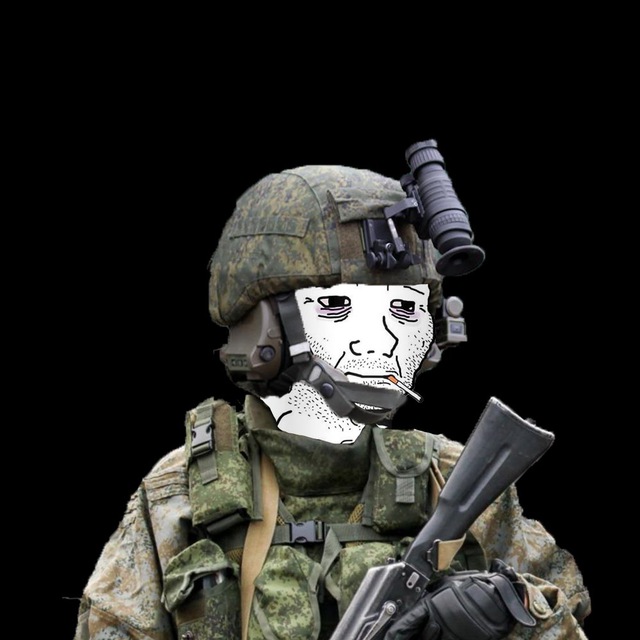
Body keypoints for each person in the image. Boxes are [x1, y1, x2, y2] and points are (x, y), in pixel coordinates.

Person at [73, 157, 591, 639]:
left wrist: (511, 609)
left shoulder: (456, 480)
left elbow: (564, 618)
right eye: (337, 306)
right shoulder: (181, 494)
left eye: (405, 311)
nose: (382, 341)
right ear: (263, 328)